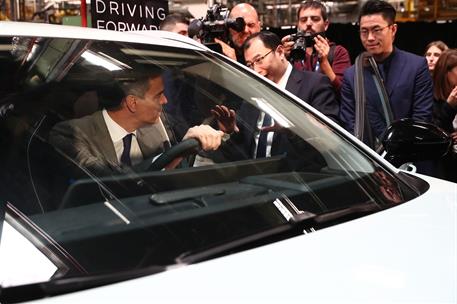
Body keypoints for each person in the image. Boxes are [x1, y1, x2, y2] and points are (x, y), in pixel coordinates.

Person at [49, 70, 226, 176]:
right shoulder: (71, 134)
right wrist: (175, 153)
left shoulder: (158, 126)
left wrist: (224, 132)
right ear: (132, 103)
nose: (165, 101)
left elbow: (179, 171)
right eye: (158, 95)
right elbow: (110, 181)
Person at [339, 0, 433, 147]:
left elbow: (421, 118)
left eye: (376, 30)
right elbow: (349, 123)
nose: (370, 38)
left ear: (393, 29)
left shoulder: (416, 66)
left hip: (409, 156)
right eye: (364, 31)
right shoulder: (352, 75)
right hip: (369, 161)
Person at [244, 31, 339, 124]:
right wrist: (230, 130)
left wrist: (294, 129)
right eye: (250, 65)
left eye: (259, 60)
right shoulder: (250, 92)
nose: (256, 70)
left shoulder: (315, 84)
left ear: (280, 52)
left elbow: (330, 132)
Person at [281, 0, 351, 94]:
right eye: (303, 20)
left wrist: (325, 63)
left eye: (315, 19)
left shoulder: (338, 52)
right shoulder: (291, 53)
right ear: (298, 25)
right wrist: (282, 58)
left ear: (326, 25)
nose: (309, 23)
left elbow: (344, 94)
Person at [431, 49, 457, 182]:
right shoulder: (430, 98)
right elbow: (434, 133)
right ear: (446, 72)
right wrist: (449, 106)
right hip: (443, 170)